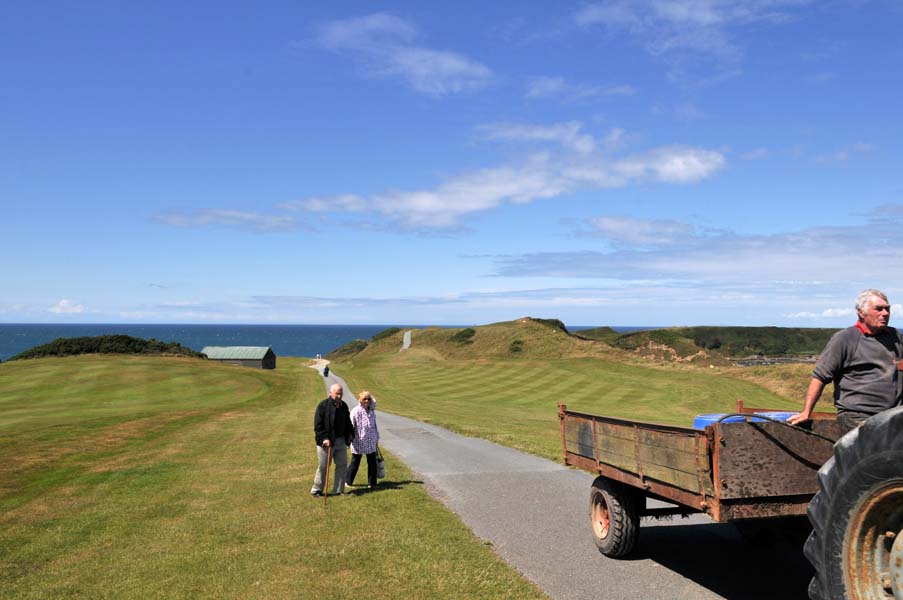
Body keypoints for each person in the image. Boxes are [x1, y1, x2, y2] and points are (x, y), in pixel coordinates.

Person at [789, 289, 903, 432]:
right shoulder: (845, 338)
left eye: (887, 309)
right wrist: (806, 412)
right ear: (861, 312)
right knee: (874, 454)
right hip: (859, 416)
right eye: (878, 309)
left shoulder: (895, 336)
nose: (885, 313)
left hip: (894, 415)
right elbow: (820, 376)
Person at [311, 383, 352, 497]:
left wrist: (350, 437)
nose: (339, 396)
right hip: (326, 442)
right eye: (337, 393)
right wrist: (324, 438)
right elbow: (318, 425)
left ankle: (339, 490)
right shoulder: (323, 406)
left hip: (340, 441)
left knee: (342, 465)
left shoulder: (343, 406)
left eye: (341, 393)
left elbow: (348, 423)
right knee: (324, 466)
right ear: (331, 393)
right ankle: (316, 490)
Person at [346, 390, 380, 489]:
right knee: (355, 462)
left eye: (368, 399)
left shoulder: (371, 410)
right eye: (364, 399)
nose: (366, 401)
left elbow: (374, 425)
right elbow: (351, 425)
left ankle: (372, 483)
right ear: (360, 400)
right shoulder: (355, 411)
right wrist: (349, 438)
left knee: (372, 462)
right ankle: (348, 482)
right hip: (359, 440)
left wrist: (376, 437)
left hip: (371, 440)